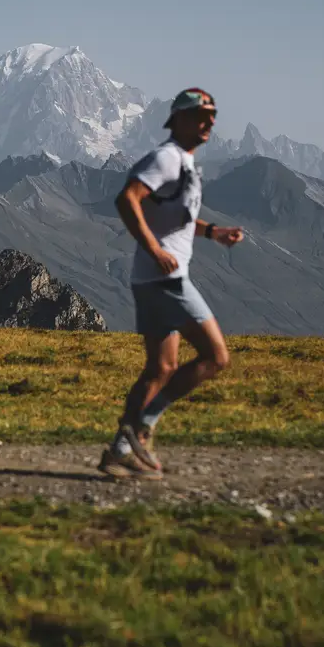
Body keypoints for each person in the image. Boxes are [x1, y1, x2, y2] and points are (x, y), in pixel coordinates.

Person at [99, 88, 244, 480]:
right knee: (216, 357)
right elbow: (127, 199)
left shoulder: (184, 163)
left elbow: (174, 215)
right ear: (177, 118)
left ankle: (120, 451)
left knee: (160, 368)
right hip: (167, 280)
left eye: (212, 114)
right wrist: (153, 249)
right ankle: (143, 424)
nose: (209, 121)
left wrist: (213, 232)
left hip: (151, 279)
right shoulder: (166, 157)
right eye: (200, 115)